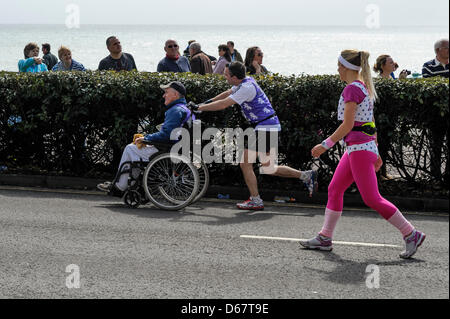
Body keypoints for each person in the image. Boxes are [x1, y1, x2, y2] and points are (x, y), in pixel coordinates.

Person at [300, 50, 426, 259]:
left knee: (372, 198)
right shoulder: (362, 87)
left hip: (358, 151)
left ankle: (411, 233)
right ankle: (325, 237)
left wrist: (325, 144)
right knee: (335, 188)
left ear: (347, 67)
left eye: (339, 66)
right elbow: (370, 122)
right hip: (360, 150)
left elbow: (348, 125)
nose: (337, 69)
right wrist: (375, 151)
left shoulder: (351, 89)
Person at [197, 62, 317, 211]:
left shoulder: (246, 88)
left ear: (234, 77)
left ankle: (256, 200)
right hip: (268, 126)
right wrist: (204, 103)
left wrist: (201, 108)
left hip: (265, 128)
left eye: (226, 74)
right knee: (269, 168)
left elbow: (224, 104)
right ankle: (306, 175)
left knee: (245, 163)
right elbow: (228, 93)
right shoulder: (244, 82)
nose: (224, 76)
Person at [97, 81, 193, 195]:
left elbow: (166, 135)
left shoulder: (175, 111)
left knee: (130, 148)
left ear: (175, 95)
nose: (163, 95)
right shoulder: (185, 108)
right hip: (176, 147)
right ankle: (131, 184)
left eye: (166, 92)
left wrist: (146, 138)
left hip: (166, 149)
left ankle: (120, 186)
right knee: (136, 152)